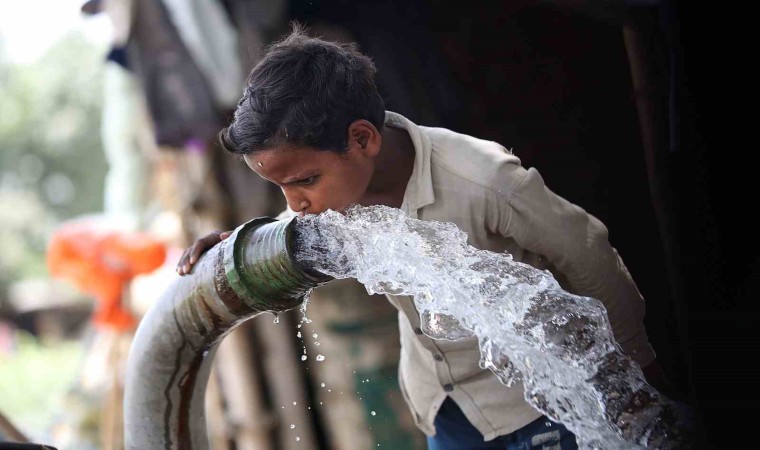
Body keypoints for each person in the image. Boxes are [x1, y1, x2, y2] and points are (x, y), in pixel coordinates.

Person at [176, 23, 670, 450]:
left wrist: (633, 378)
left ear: (362, 139)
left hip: (536, 404)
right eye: (280, 187)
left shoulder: (485, 180)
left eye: (303, 181)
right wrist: (239, 246)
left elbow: (590, 256)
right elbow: (291, 235)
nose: (294, 204)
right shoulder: (338, 197)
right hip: (444, 408)